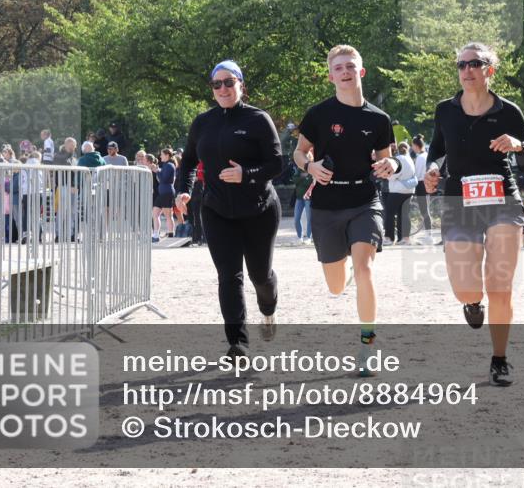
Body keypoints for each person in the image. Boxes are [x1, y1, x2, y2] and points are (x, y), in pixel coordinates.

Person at [423, 42, 524, 387]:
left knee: (500, 286)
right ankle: (472, 303)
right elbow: (437, 152)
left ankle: (500, 359)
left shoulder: (509, 112)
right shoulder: (445, 110)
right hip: (459, 203)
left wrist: (517, 146)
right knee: (465, 288)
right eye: (461, 64)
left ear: (491, 70)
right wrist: (431, 170)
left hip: (502, 199)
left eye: (475, 63)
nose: (467, 70)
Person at [293, 45, 397, 376]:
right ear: (331, 76)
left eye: (350, 66)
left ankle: (367, 347)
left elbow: (388, 157)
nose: (345, 71)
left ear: (361, 72)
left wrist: (390, 165)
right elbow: (298, 153)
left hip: (366, 202)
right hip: (326, 206)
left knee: (366, 269)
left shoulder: (378, 119)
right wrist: (311, 168)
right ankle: (347, 267)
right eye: (338, 68)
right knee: (336, 287)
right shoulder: (318, 114)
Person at [175, 60, 284, 356]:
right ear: (212, 89)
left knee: (259, 275)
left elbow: (277, 164)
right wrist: (183, 191)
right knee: (229, 275)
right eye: (216, 84)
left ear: (240, 85)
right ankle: (238, 342)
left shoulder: (258, 119)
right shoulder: (202, 123)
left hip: (259, 209)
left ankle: (268, 307)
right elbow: (186, 162)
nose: (222, 88)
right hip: (216, 210)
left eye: (229, 82)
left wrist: (245, 174)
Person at [385, 141, 417, 246]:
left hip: (397, 190)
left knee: (389, 214)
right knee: (404, 214)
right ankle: (404, 238)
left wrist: (388, 176)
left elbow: (392, 175)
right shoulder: (410, 159)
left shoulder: (398, 159)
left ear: (398, 149)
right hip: (409, 190)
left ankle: (389, 238)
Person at [412, 135, 433, 245]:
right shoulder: (426, 155)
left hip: (420, 184)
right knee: (426, 209)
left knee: (424, 210)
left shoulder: (420, 157)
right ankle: (428, 234)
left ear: (416, 146)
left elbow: (416, 173)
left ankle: (429, 236)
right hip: (426, 183)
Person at [153, 148, 177, 243]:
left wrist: (157, 171)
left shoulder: (170, 165)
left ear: (167, 155)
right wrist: (158, 171)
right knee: (155, 213)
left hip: (167, 193)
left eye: (162, 154)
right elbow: (162, 178)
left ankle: (171, 234)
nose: (160, 156)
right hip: (163, 193)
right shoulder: (166, 165)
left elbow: (164, 179)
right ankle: (155, 234)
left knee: (168, 215)